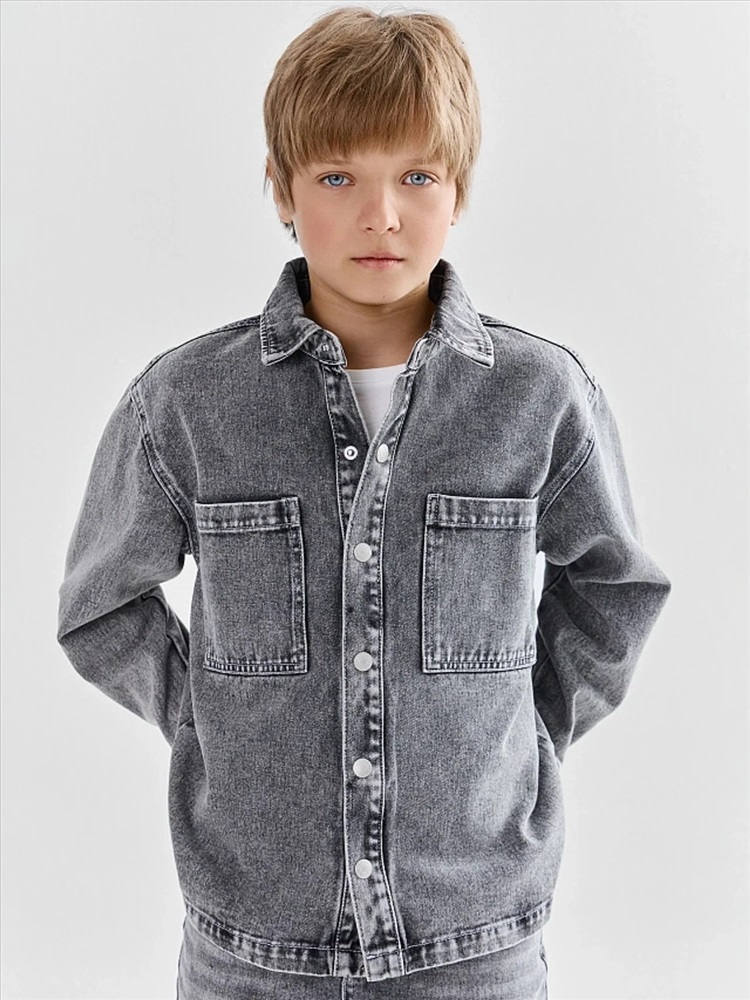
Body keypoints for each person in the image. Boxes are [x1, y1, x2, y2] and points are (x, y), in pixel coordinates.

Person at [56, 6, 672, 999]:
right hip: (250, 950)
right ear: (282, 190)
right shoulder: (187, 402)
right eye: (339, 177)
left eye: (416, 176)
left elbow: (617, 589)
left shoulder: (540, 396)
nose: (381, 214)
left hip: (476, 945)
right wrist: (212, 721)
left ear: (459, 188)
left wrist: (522, 733)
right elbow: (99, 604)